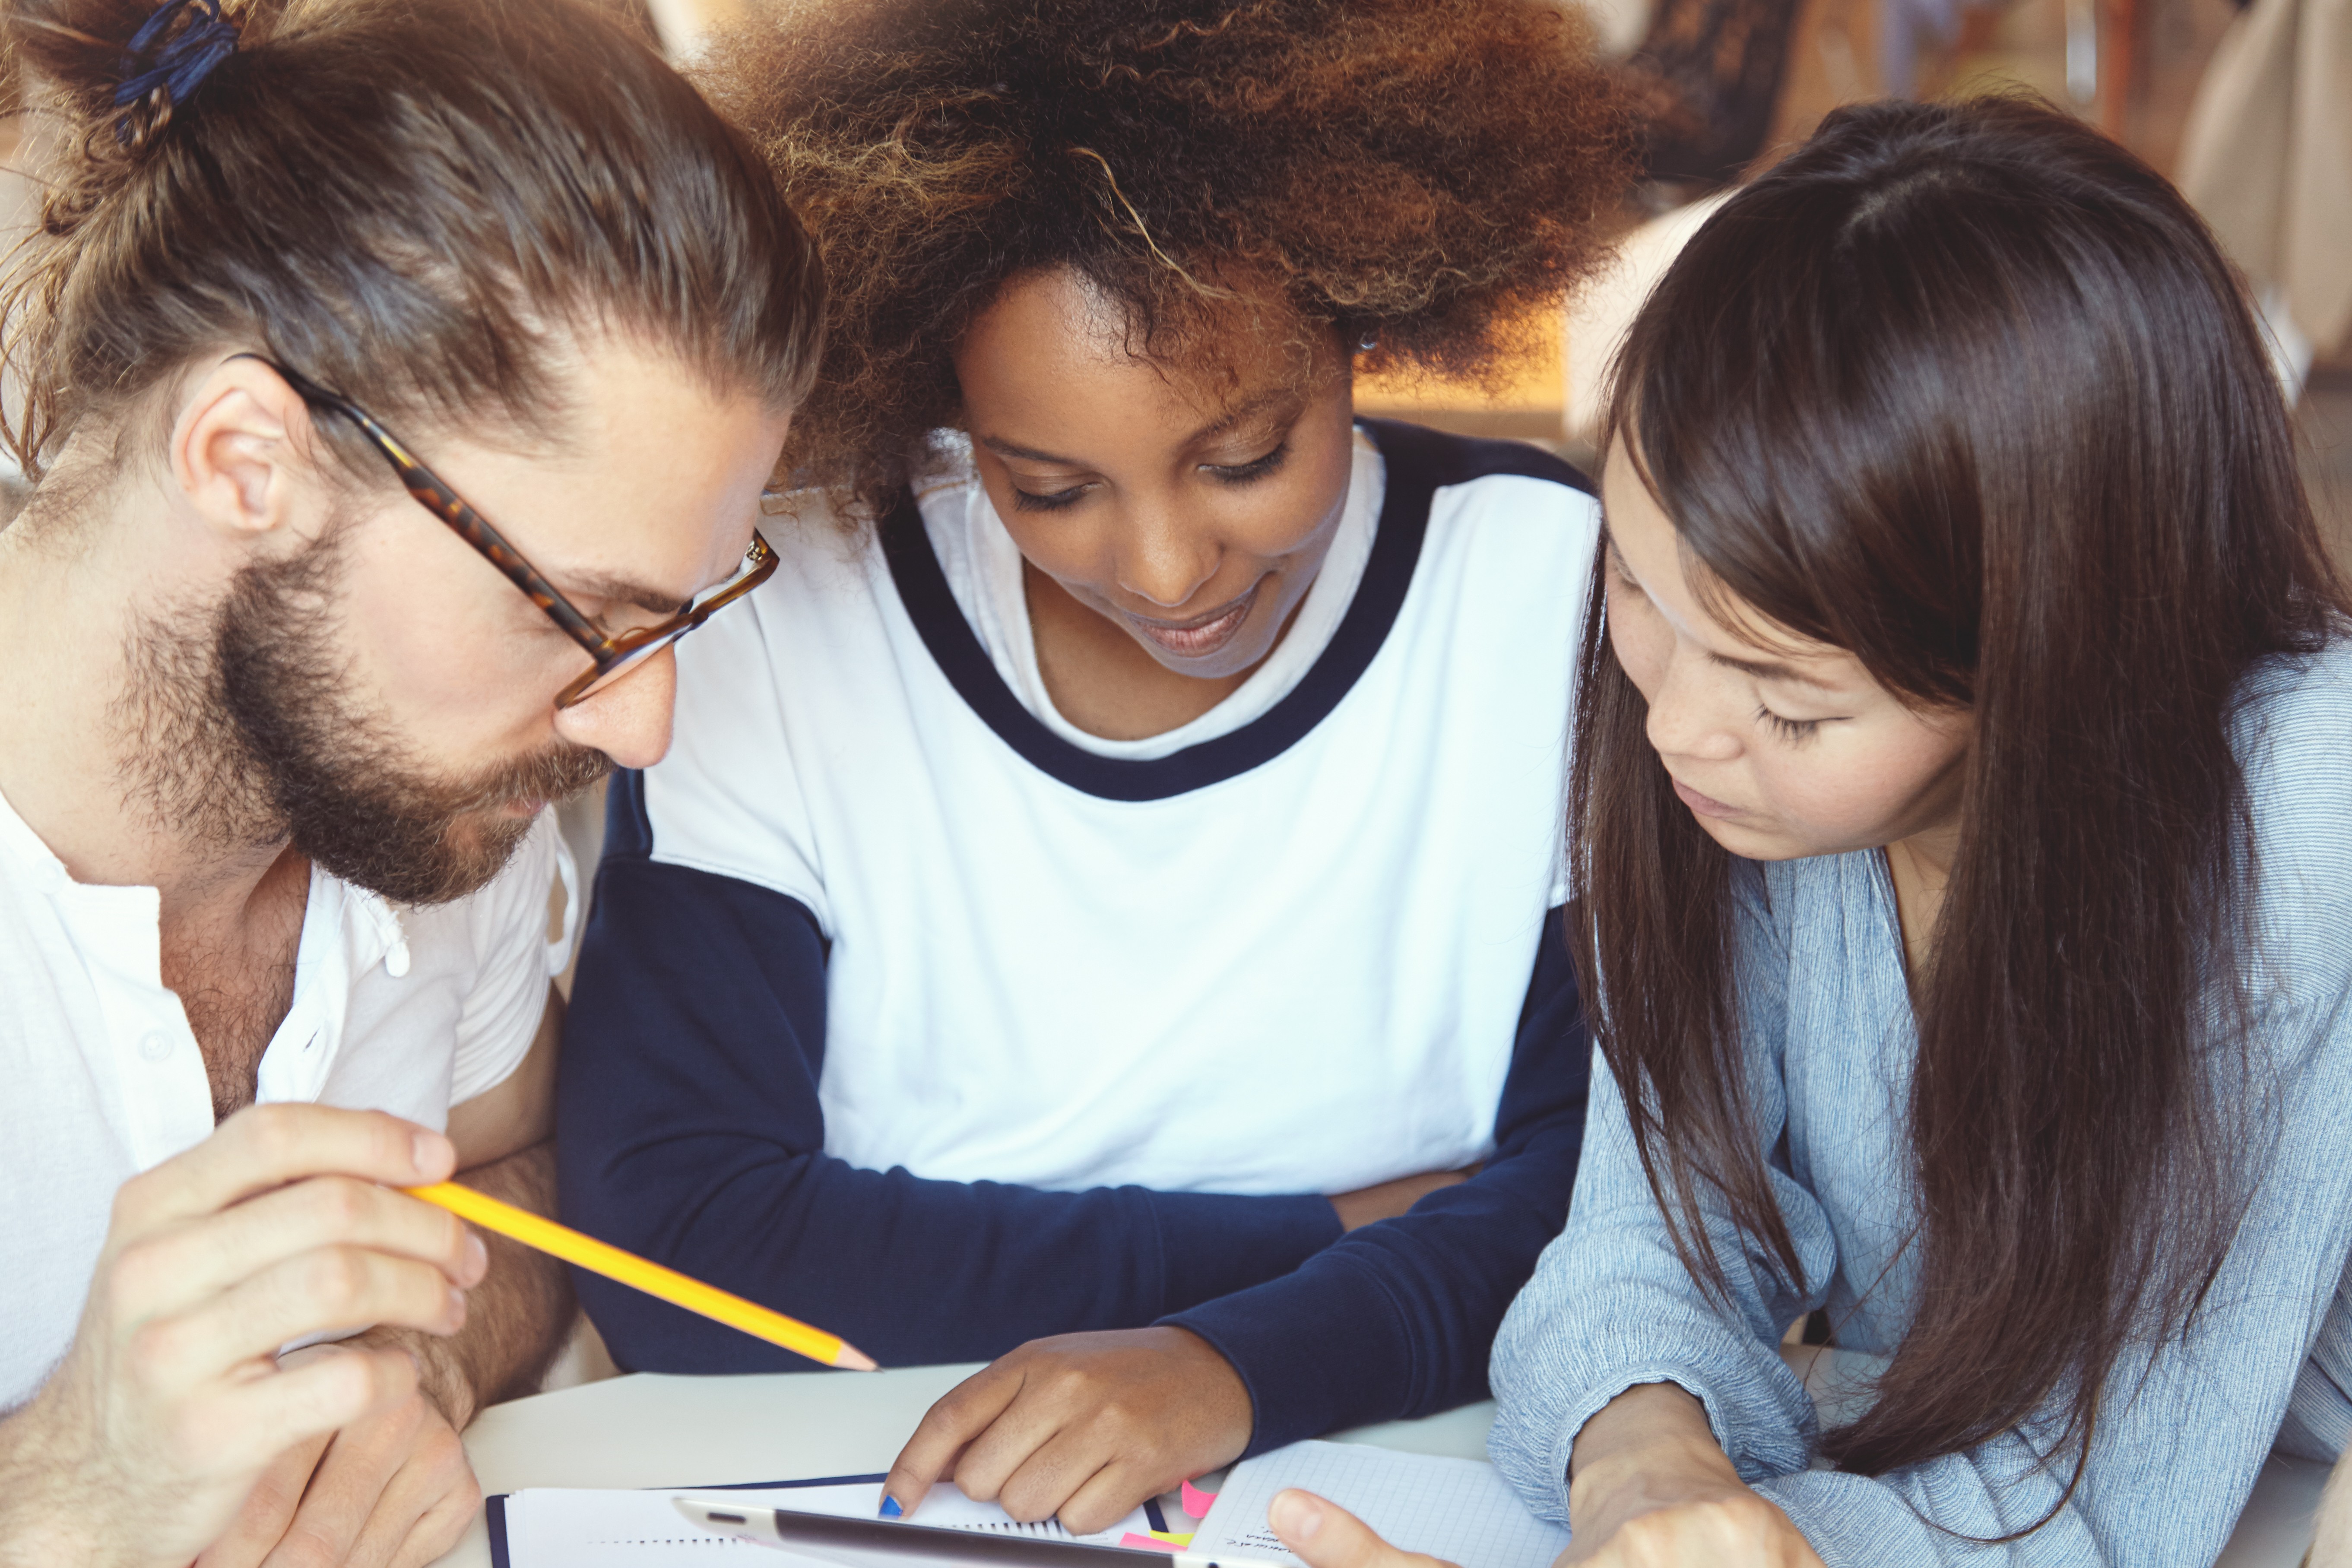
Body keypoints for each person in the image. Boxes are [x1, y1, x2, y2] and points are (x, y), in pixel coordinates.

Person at [555, 0, 1636, 1534]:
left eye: (1246, 458)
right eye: (1049, 489)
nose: (1168, 566)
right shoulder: (791, 604)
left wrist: (1228, 1368)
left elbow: (1623, 1199)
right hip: (881, 1488)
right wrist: (1338, 1242)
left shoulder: (1544, 589)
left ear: (1362, 319)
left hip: (1416, 1488)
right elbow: (676, 1242)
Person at [1266, 95, 2352, 1568]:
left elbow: (2106, 1494)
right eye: (1640, 589)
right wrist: (1641, 1470)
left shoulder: (2305, 822)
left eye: (1790, 701)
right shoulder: (1762, 792)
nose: (1674, 731)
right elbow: (1644, 1243)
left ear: (2055, 655)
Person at [0, 0, 822, 1563]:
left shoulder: (439, 812)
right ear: (247, 461)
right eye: (576, 613)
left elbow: (522, 1160)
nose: (643, 730)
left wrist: (427, 1363)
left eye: (690, 611)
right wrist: (61, 1491)